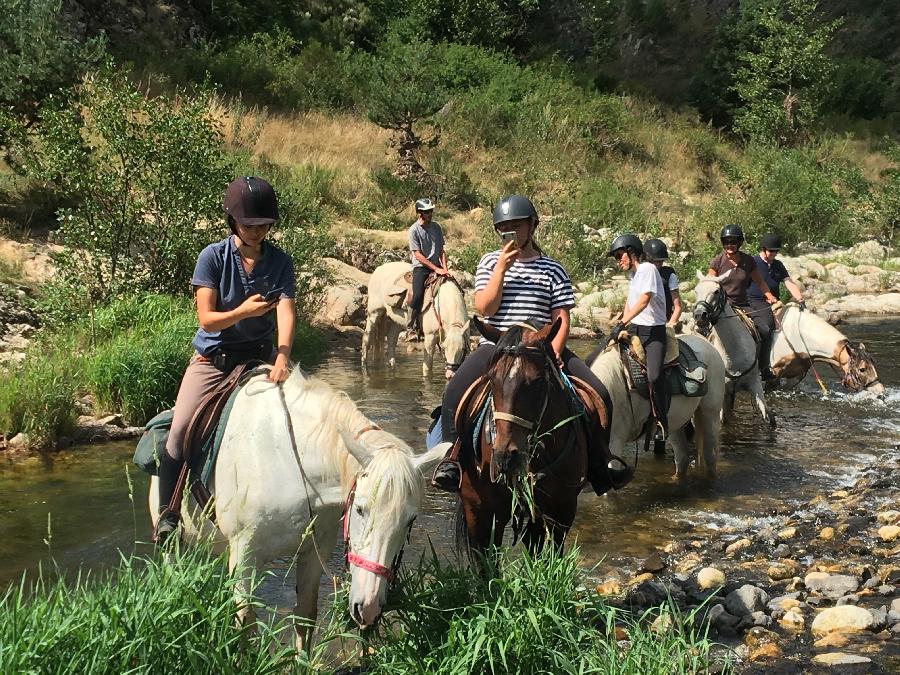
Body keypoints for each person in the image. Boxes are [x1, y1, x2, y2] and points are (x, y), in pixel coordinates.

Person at [431, 195, 630, 493]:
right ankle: (452, 457)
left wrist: (556, 352)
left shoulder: (553, 269)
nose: (509, 233)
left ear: (532, 226)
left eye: (516, 226)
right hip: (497, 345)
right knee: (454, 390)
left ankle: (601, 462)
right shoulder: (489, 262)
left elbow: (561, 317)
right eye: (504, 228)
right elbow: (485, 308)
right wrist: (500, 269)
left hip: (540, 346)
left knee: (600, 394)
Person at [155, 176, 297, 545]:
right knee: (181, 429)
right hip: (213, 359)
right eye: (250, 225)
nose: (257, 231)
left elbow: (286, 311)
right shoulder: (213, 257)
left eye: (264, 225)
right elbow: (206, 318)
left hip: (258, 360)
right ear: (233, 221)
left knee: (298, 419)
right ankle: (169, 514)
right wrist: (243, 311)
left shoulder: (280, 262)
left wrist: (283, 355)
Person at [607, 234, 670, 441]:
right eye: (617, 258)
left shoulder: (648, 269)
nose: (619, 261)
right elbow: (630, 303)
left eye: (619, 256)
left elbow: (644, 300)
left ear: (631, 252)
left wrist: (624, 322)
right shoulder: (633, 276)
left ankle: (662, 421)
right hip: (635, 328)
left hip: (654, 331)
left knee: (654, 375)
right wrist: (620, 323)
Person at [706, 224, 777, 379]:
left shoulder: (748, 261)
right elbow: (709, 284)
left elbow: (760, 281)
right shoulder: (717, 262)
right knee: (703, 332)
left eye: (733, 241)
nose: (730, 245)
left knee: (765, 330)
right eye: (726, 242)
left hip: (743, 305)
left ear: (739, 243)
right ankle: (708, 369)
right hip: (722, 306)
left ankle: (764, 367)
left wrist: (769, 295)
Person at [747, 232, 806, 379]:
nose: (773, 254)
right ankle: (764, 366)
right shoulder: (752, 263)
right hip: (756, 301)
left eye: (776, 251)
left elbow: (788, 282)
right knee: (767, 327)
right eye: (771, 251)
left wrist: (800, 299)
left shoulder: (778, 265)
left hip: (775, 301)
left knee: (795, 323)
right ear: (763, 248)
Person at [406, 198, 449, 341]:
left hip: (437, 266)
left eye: (431, 211)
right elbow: (417, 254)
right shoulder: (414, 230)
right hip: (421, 267)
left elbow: (441, 250)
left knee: (454, 289)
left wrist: (445, 268)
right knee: (417, 295)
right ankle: (410, 328)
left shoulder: (437, 227)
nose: (430, 214)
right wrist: (436, 268)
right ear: (419, 213)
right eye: (427, 212)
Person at [643, 238, 682, 326]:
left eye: (661, 261)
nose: (659, 263)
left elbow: (677, 307)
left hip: (663, 322)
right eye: (655, 261)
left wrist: (670, 325)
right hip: (642, 322)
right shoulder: (640, 274)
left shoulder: (669, 275)